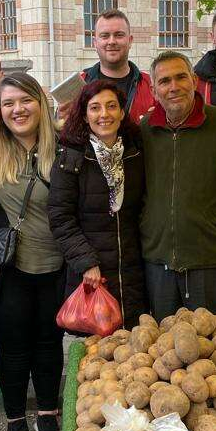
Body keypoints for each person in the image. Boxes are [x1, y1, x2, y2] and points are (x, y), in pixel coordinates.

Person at [0, 71, 64, 431]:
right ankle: (14, 420)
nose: (17, 109)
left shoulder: (63, 144)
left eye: (24, 100)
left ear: (39, 102)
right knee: (12, 346)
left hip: (55, 263)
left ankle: (47, 412)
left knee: (49, 341)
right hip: (4, 269)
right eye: (7, 104)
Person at [140, 50, 216, 319]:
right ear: (154, 90)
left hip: (210, 261)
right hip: (157, 263)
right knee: (162, 352)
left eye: (181, 77)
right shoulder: (144, 131)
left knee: (209, 349)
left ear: (194, 80)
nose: (174, 87)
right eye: (165, 81)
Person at [48, 80, 147, 327]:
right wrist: (86, 262)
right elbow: (60, 217)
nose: (104, 114)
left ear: (122, 112)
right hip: (93, 273)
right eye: (95, 108)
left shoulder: (136, 153)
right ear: (84, 114)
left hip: (132, 271)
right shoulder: (70, 156)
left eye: (111, 106)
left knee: (131, 351)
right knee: (94, 353)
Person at [77, 9, 155, 120]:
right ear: (95, 43)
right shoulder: (79, 85)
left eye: (119, 35)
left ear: (130, 40)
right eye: (105, 36)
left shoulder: (152, 86)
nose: (112, 41)